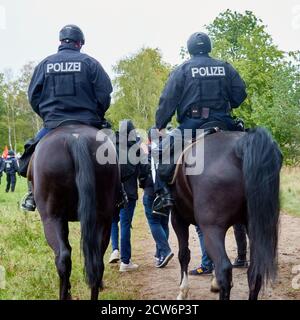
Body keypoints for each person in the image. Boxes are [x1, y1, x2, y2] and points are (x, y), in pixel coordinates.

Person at [153, 31, 247, 215]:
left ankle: (163, 196)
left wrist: (160, 123)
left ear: (190, 49)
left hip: (193, 124)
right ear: (209, 47)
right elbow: (240, 94)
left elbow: (168, 100)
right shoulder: (225, 67)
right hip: (225, 122)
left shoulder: (183, 70)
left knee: (160, 153)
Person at [20, 24, 113, 211]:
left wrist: (47, 116)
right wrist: (97, 114)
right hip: (89, 122)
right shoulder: (90, 63)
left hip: (54, 124)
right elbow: (105, 93)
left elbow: (33, 96)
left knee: (28, 157)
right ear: (80, 43)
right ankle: (119, 193)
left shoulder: (44, 64)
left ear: (61, 42)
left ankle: (32, 193)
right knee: (119, 152)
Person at [109, 120, 148, 272]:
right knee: (125, 224)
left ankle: (115, 250)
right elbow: (144, 169)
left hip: (111, 191)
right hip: (129, 191)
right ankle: (125, 262)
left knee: (113, 221)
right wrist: (143, 182)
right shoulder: (136, 148)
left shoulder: (110, 144)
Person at [140, 128, 174, 268]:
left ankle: (165, 251)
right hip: (166, 192)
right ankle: (160, 253)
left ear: (149, 139)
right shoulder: (168, 151)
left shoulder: (146, 152)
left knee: (154, 222)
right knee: (164, 222)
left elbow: (142, 172)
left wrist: (142, 183)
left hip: (150, 191)